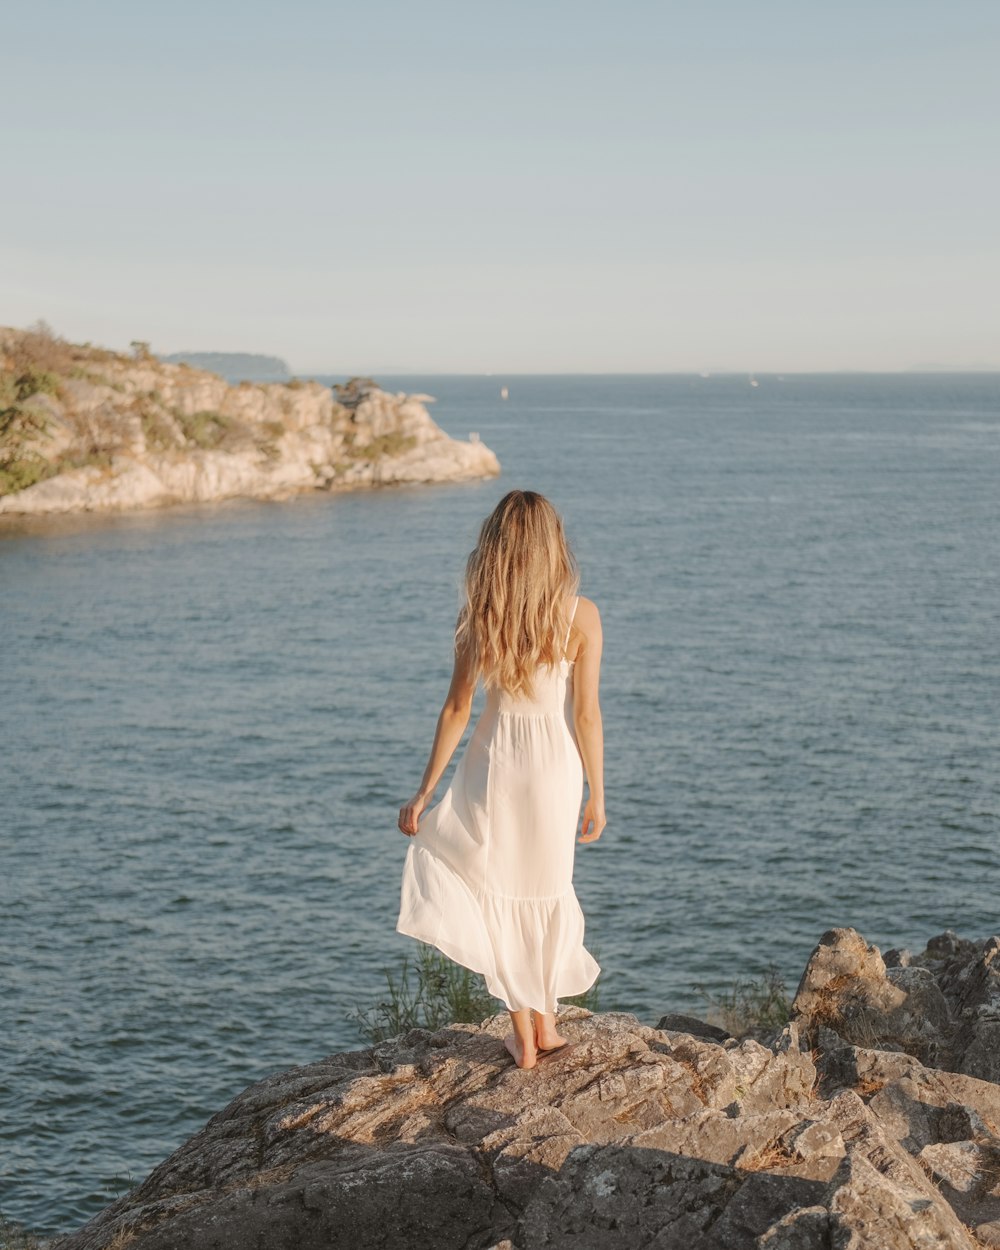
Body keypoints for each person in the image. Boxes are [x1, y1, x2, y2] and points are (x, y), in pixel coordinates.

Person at [396, 489, 605, 1070]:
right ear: (552, 547)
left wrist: (426, 792)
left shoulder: (481, 616)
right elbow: (587, 714)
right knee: (545, 884)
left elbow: (457, 710)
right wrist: (598, 793)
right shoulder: (581, 616)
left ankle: (525, 1036)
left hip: (497, 763)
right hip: (555, 768)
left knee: (493, 887)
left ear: (497, 548)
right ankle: (549, 1023)